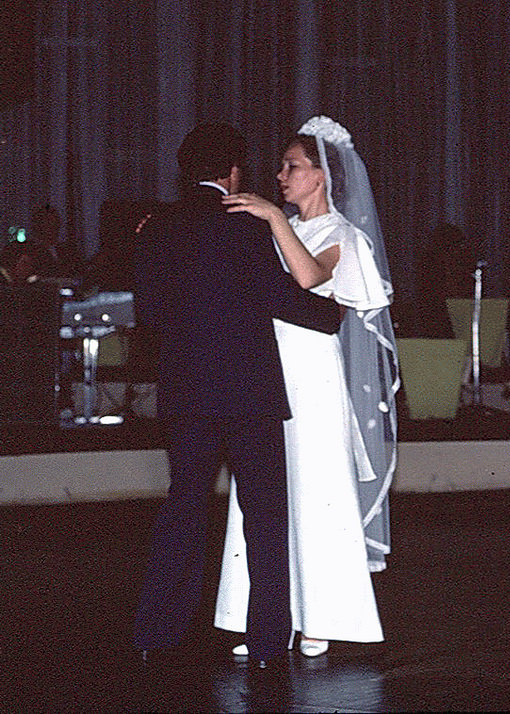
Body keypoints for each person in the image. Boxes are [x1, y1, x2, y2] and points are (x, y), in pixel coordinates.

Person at [132, 122, 342, 666]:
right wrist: (335, 313)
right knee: (265, 517)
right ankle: (269, 638)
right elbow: (280, 296)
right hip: (248, 394)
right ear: (232, 173)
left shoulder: (155, 227)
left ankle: (159, 630)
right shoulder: (243, 225)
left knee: (183, 509)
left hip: (185, 394)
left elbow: (149, 314)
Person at [211, 116, 396, 658]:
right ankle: (262, 615)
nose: (281, 174)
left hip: (312, 375)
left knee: (314, 490)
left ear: (321, 177)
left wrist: (271, 215)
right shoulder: (279, 229)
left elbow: (310, 278)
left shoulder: (342, 234)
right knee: (259, 494)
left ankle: (322, 615)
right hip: (267, 368)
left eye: (292, 167)